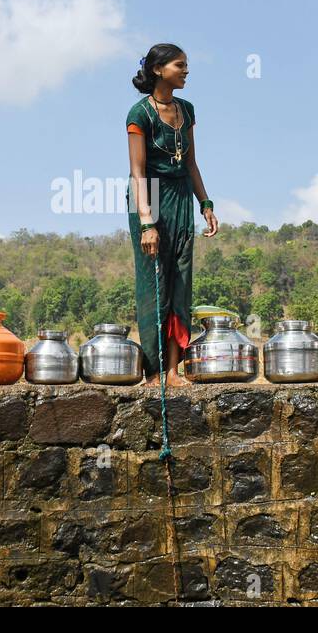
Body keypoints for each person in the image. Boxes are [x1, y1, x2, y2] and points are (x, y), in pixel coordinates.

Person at [127, 43, 218, 388]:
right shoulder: (139, 114)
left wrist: (205, 204)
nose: (186, 71)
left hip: (181, 195)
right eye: (180, 65)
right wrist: (147, 222)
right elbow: (137, 172)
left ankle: (173, 371)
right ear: (157, 70)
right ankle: (153, 373)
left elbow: (191, 162)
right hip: (149, 195)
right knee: (154, 283)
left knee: (181, 281)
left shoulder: (187, 109)